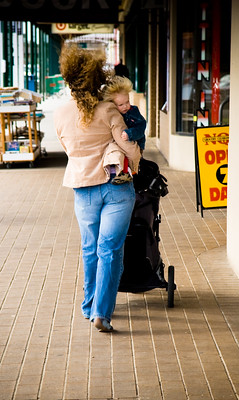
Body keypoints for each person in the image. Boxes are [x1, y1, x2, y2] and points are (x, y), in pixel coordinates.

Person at [54, 44, 141, 332]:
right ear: (97, 79)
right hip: (116, 188)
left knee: (90, 248)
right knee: (110, 249)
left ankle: (89, 306)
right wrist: (136, 164)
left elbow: (67, 147)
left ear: (69, 80)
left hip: (83, 188)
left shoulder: (61, 113)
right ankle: (101, 313)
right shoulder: (108, 110)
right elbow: (129, 145)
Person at [103, 76, 146, 185]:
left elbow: (141, 127)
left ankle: (127, 173)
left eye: (127, 102)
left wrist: (130, 134)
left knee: (126, 151)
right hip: (122, 141)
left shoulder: (133, 111)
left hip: (136, 142)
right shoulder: (113, 114)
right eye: (120, 105)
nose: (126, 106)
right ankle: (123, 172)